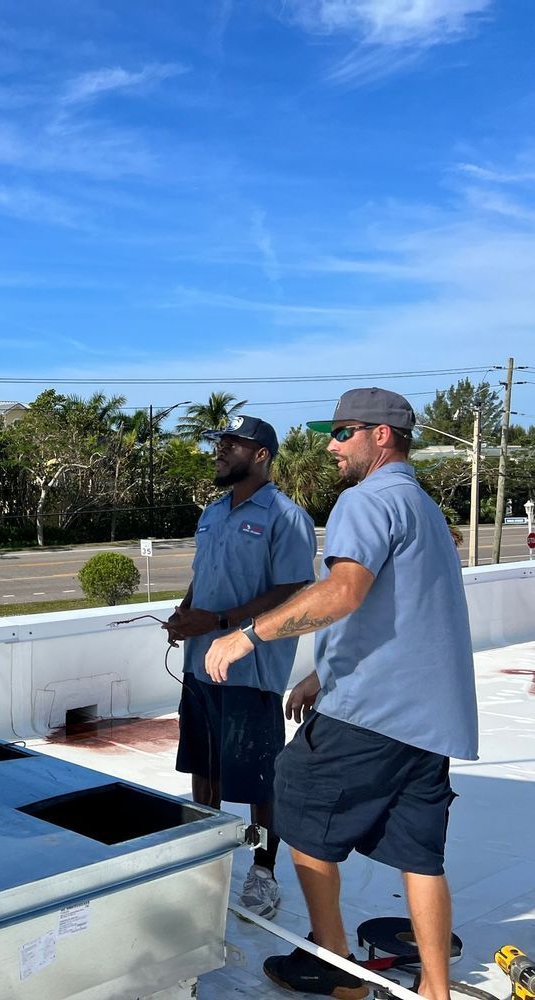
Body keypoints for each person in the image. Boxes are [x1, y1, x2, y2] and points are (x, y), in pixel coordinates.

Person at [205, 388, 478, 1000]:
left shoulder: (366, 499)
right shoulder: (425, 508)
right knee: (422, 857)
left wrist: (250, 636)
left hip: (376, 712)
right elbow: (397, 615)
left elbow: (344, 592)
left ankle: (337, 967)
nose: (331, 444)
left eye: (343, 431)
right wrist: (320, 676)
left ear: (381, 436)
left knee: (294, 798)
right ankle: (436, 990)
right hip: (432, 717)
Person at [164, 414, 317, 919]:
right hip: (200, 663)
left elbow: (292, 589)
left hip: (251, 667)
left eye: (233, 443)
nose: (221, 450)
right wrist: (187, 612)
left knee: (258, 774)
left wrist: (224, 620)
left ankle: (263, 870)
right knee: (203, 764)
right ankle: (205, 861)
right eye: (220, 443)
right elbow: (201, 574)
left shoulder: (284, 516)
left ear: (261, 455)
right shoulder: (211, 512)